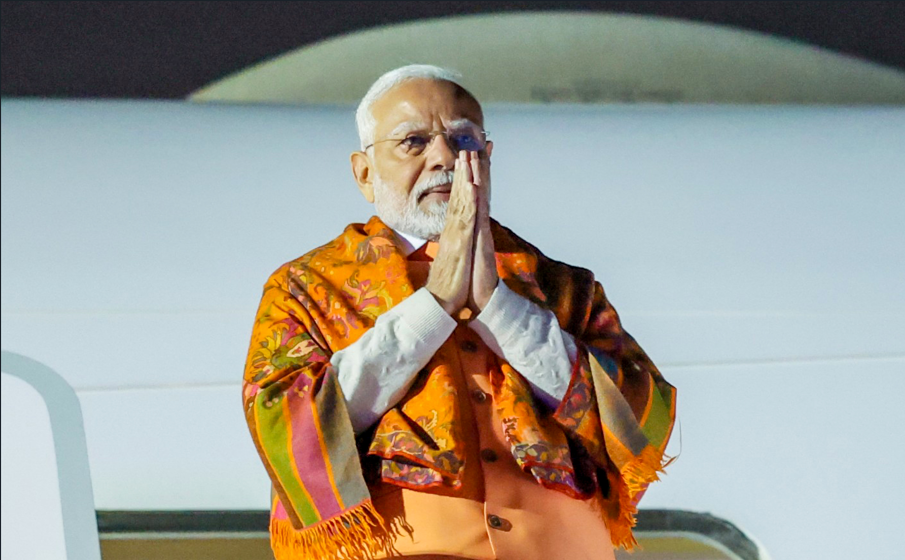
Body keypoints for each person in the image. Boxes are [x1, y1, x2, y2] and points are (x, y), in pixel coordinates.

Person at [242, 65, 676, 560]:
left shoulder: (562, 285)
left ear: (487, 157)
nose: (444, 157)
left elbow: (642, 419)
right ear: (364, 173)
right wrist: (433, 309)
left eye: (463, 140)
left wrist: (500, 308)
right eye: (413, 142)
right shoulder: (308, 287)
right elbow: (284, 423)